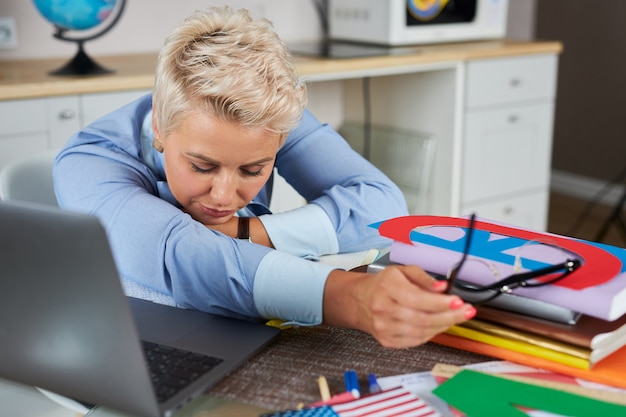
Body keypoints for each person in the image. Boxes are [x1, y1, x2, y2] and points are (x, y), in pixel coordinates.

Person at [53, 6, 475, 349]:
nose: (223, 194)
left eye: (253, 170)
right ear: (161, 126)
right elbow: (187, 259)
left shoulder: (268, 118)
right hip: (127, 344)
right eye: (202, 166)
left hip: (242, 331)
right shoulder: (86, 164)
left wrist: (244, 229)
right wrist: (351, 299)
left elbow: (383, 207)